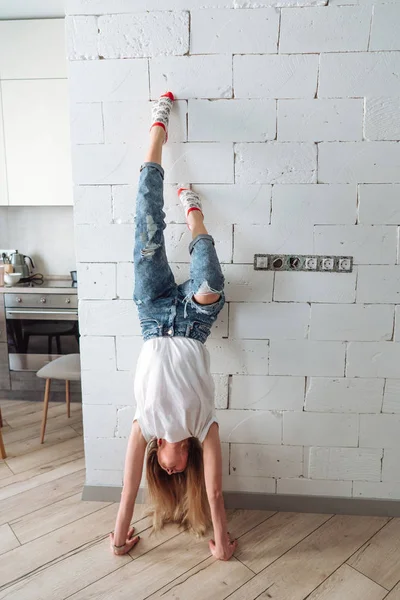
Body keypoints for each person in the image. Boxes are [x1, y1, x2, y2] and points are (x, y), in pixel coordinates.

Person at [109, 92, 238, 561]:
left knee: (145, 224)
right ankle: (196, 215)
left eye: (169, 464)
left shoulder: (145, 427)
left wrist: (120, 541)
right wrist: (222, 545)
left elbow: (125, 495)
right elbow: (217, 496)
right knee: (210, 282)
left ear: (159, 460)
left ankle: (157, 128)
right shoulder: (204, 429)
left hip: (152, 313)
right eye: (180, 464)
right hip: (193, 323)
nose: (175, 460)